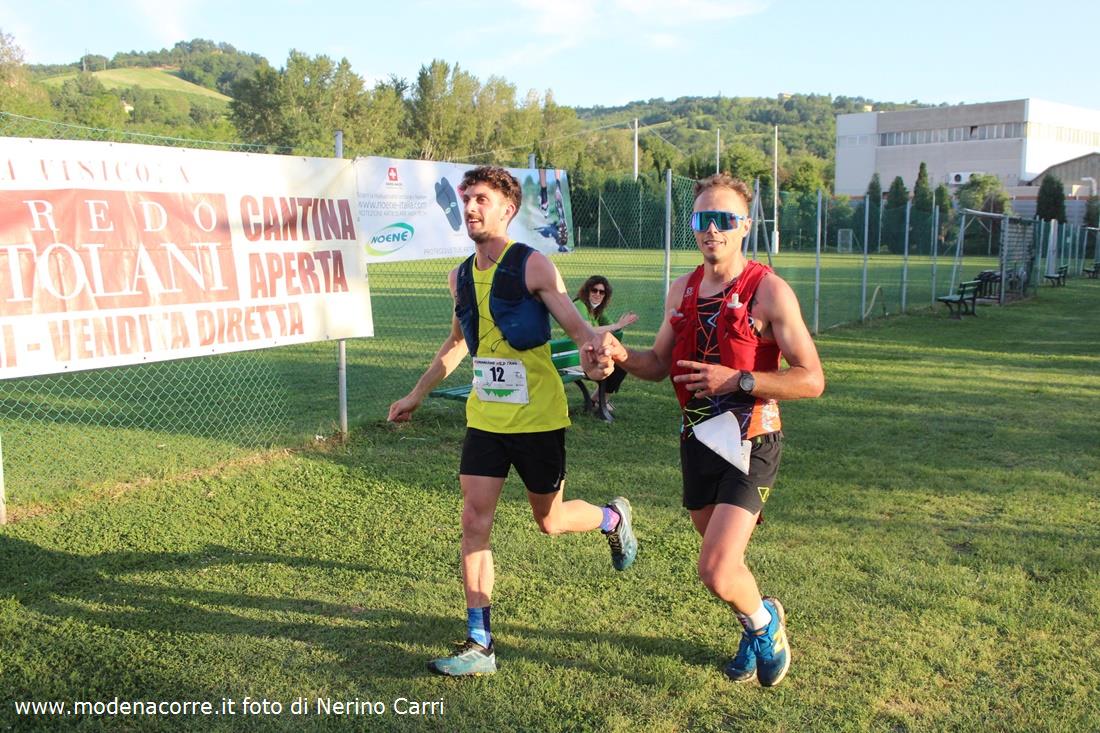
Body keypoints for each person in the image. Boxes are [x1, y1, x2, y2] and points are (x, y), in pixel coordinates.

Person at [387, 165, 639, 677]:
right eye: (466, 199)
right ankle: (480, 643)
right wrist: (416, 394)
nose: (470, 207)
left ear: (507, 209)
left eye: (481, 199)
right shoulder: (459, 276)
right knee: (473, 522)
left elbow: (578, 330)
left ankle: (612, 519)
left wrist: (597, 358)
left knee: (550, 521)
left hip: (538, 418)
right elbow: (457, 342)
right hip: (486, 419)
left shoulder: (534, 266)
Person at [592, 173, 824, 687]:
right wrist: (619, 354)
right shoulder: (683, 289)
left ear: (744, 226)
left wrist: (738, 379)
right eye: (702, 219)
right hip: (698, 437)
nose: (711, 230)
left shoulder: (768, 291)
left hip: (752, 440)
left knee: (716, 568)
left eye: (723, 220)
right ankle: (758, 615)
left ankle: (765, 628)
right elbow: (658, 365)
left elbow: (812, 379)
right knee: (726, 565)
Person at [573, 276, 638, 410]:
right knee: (618, 364)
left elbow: (612, 328)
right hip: (575, 356)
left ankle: (597, 400)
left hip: (588, 353)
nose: (598, 294)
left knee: (622, 361)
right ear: (587, 291)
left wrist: (620, 325)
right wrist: (617, 325)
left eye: (602, 292)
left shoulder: (597, 310)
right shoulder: (580, 305)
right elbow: (588, 330)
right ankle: (600, 401)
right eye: (594, 290)